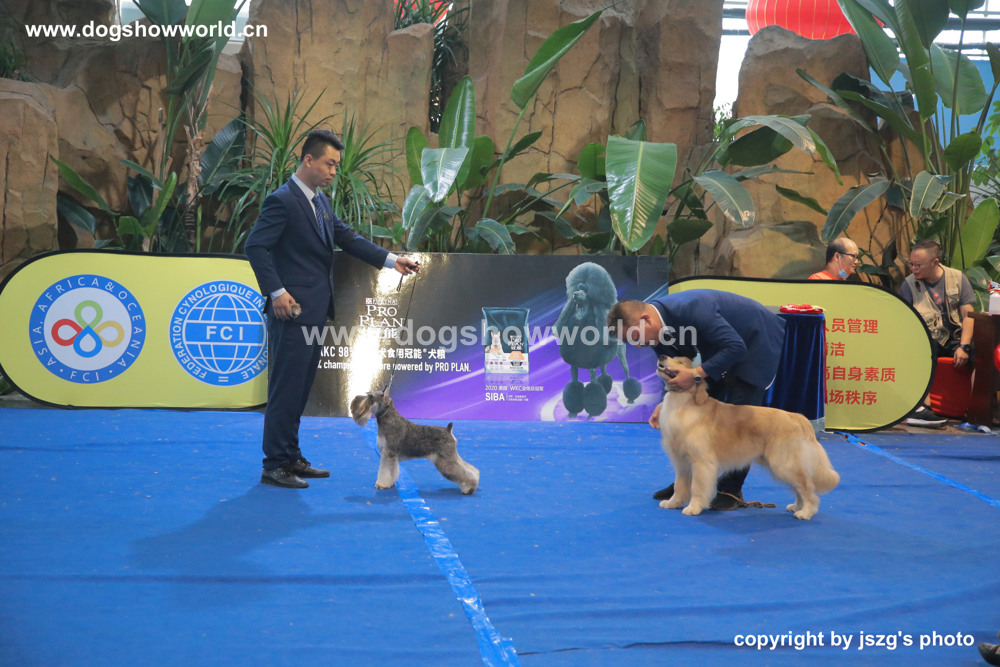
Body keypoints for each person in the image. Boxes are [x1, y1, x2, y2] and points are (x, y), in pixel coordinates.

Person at [245, 129, 420, 489]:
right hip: (290, 312)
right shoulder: (282, 201)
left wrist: (392, 260)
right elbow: (255, 246)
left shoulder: (319, 202)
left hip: (314, 312)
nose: (333, 172)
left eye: (336, 166)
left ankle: (290, 456)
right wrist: (277, 291)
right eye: (329, 164)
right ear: (308, 159)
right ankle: (274, 464)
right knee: (284, 390)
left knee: (298, 390)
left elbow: (348, 238)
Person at [607, 290, 786, 510]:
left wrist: (695, 374)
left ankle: (731, 489)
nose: (636, 345)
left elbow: (735, 347)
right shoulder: (654, 331)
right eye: (629, 342)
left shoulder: (693, 309)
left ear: (646, 320)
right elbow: (673, 371)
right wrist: (665, 401)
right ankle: (686, 484)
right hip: (721, 347)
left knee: (739, 421)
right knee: (699, 414)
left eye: (634, 337)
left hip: (756, 341)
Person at [897, 240, 975, 428]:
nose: (913, 269)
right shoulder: (908, 285)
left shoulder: (958, 278)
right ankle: (922, 409)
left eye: (918, 265)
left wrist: (964, 347)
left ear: (935, 262)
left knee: (981, 354)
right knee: (921, 349)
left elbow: (968, 316)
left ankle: (975, 411)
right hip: (927, 339)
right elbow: (902, 321)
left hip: (956, 339)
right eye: (911, 264)